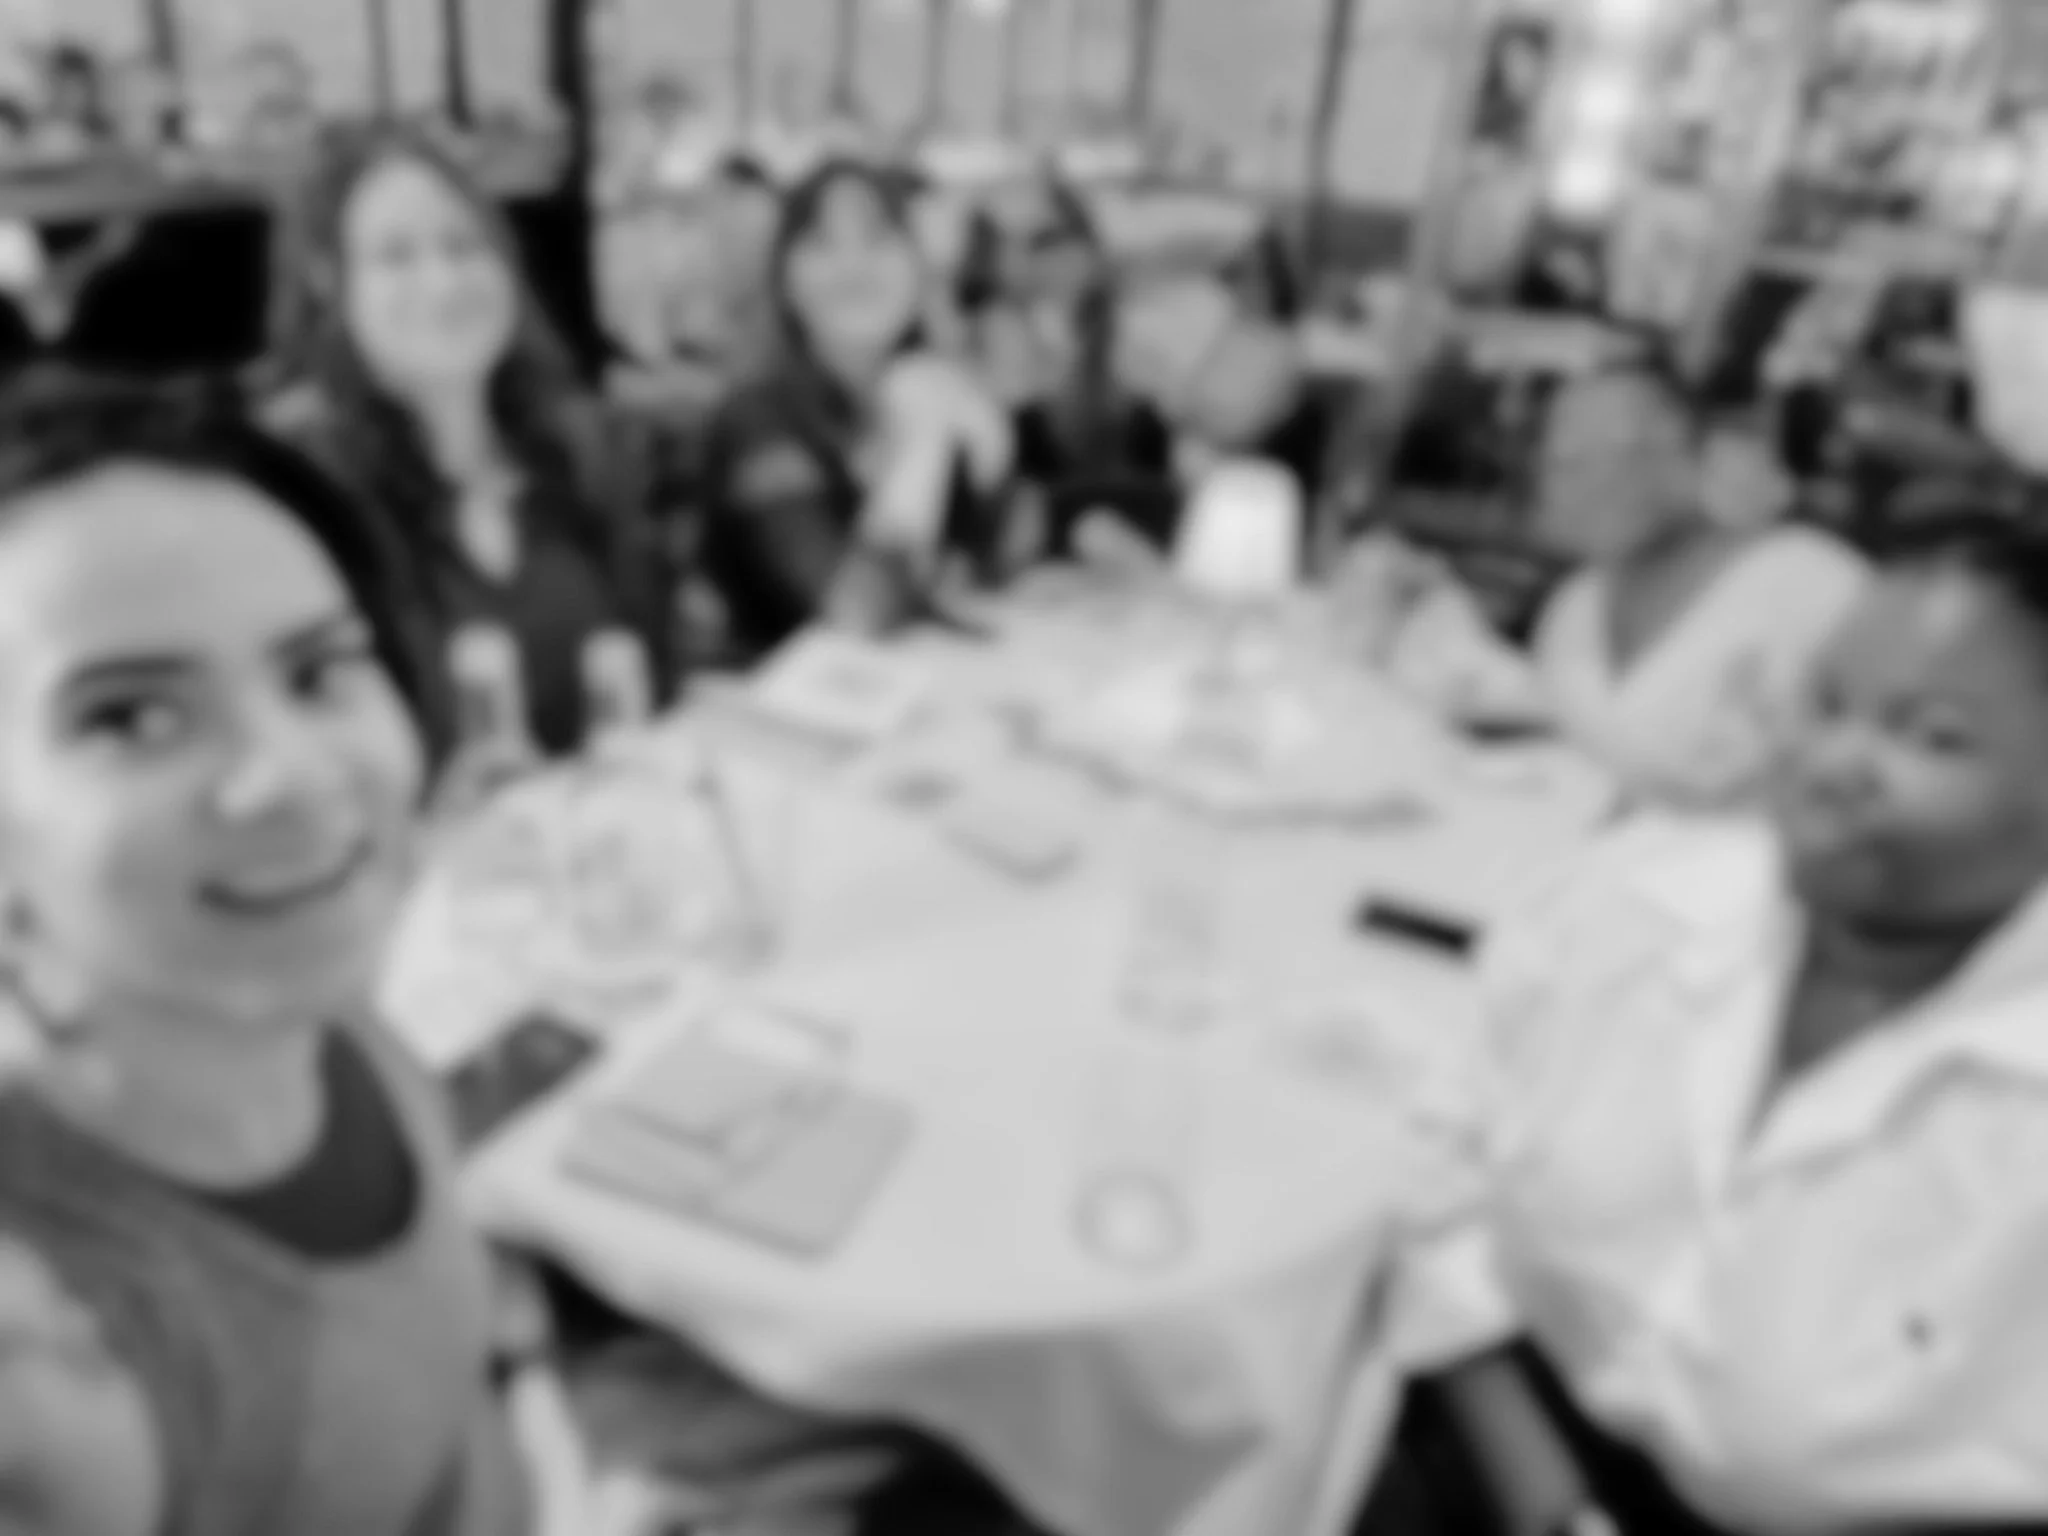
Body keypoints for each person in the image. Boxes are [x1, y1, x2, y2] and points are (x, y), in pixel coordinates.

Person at [1371, 505, 2048, 1536]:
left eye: (1931, 735)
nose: (1832, 761)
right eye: (1825, 701)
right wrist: (1545, 1502)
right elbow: (1442, 1166)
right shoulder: (1629, 902)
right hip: (1506, 1453)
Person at [0, 368, 532, 1535]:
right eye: (129, 715)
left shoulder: (333, 1012)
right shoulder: (49, 1365)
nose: (292, 773)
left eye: (317, 670)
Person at [267, 124, 686, 760]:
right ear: (331, 283)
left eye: (464, 246)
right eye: (395, 256)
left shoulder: (585, 448)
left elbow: (656, 675)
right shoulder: (300, 489)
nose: (443, 283)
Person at [700, 157, 1014, 657]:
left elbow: (989, 572)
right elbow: (858, 614)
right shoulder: (757, 421)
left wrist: (991, 451)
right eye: (823, 243)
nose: (855, 266)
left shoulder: (927, 388)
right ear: (785, 280)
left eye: (878, 239)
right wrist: (924, 435)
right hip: (778, 718)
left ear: (918, 269)